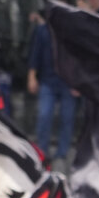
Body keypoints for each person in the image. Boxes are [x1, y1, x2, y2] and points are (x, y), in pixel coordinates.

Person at [26, 9, 74, 166]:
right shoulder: (43, 30)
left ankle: (62, 153)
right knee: (44, 115)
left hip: (68, 82)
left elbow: (79, 58)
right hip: (48, 80)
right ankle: (42, 152)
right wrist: (32, 76)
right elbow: (35, 54)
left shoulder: (73, 31)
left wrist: (79, 82)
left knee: (67, 118)